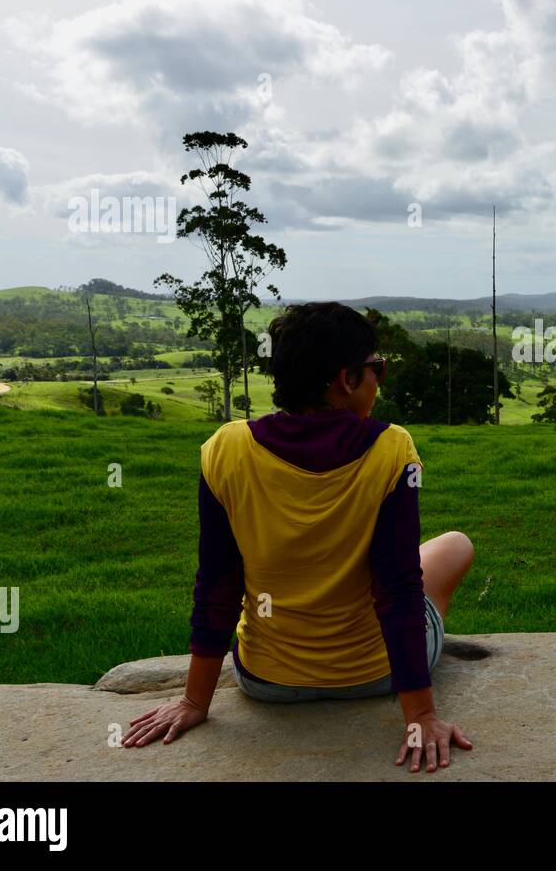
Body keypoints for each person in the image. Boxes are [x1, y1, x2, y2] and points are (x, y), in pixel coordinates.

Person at [121, 302, 475, 774]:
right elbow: (398, 588)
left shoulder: (226, 449)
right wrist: (421, 717)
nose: (378, 381)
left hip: (267, 680)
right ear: (346, 380)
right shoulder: (393, 449)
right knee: (454, 546)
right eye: (377, 370)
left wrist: (193, 700)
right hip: (373, 675)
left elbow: (219, 584)